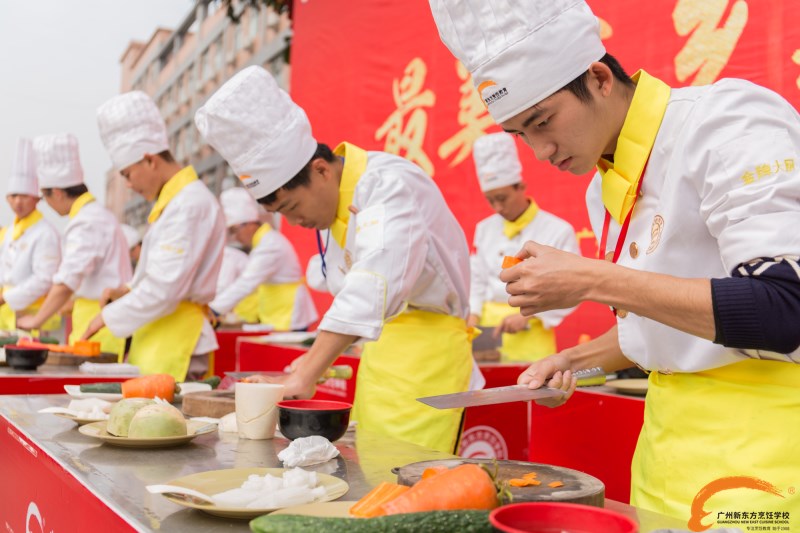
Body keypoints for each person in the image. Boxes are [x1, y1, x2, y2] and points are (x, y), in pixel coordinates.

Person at [429, 0, 800, 527]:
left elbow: (785, 308)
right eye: (520, 134)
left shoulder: (726, 120)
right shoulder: (604, 189)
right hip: (664, 454)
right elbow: (668, 329)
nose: (541, 150)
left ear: (600, 78)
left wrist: (590, 278)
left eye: (542, 121)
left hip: (760, 465)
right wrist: (576, 362)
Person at [195, 65, 478, 453]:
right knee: (370, 463)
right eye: (283, 215)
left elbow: (374, 280)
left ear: (321, 170)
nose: (296, 223)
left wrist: (310, 369)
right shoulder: (333, 205)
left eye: (294, 207)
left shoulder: (386, 185)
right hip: (381, 357)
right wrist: (311, 363)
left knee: (408, 477)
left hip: (429, 359)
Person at [83, 91, 225, 381]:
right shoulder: (173, 204)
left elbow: (165, 289)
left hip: (178, 338)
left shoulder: (189, 204)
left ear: (149, 160)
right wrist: (127, 289)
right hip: (158, 334)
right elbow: (162, 278)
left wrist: (105, 317)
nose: (129, 185)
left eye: (127, 174)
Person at [17, 134, 131, 356]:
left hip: (100, 325)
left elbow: (67, 279)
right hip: (90, 318)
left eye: (45, 197)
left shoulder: (87, 221)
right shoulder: (95, 215)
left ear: (57, 192)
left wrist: (37, 319)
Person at [468, 132, 578, 361]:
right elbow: (476, 280)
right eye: (490, 200)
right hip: (489, 334)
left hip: (532, 334)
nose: (497, 207)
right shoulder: (484, 229)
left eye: (502, 198)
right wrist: (473, 318)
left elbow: (571, 288)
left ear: (521, 187)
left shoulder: (557, 230)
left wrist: (528, 316)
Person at [209, 187, 318, 330]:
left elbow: (246, 283)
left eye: (235, 230)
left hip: (289, 316)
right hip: (278, 315)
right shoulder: (264, 243)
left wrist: (213, 309)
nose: (236, 237)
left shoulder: (270, 246)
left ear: (250, 225)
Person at [0, 138, 61, 333]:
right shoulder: (10, 232)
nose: (18, 202)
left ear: (36, 198)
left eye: (24, 196)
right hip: (8, 315)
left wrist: (6, 297)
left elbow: (45, 278)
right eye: (14, 196)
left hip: (34, 316)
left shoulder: (45, 233)